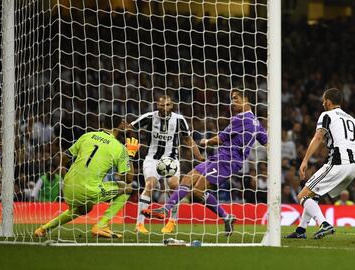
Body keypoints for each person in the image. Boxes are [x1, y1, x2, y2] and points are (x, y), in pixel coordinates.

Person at [142, 89, 267, 236]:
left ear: (246, 100)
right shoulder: (256, 123)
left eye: (236, 99)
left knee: (197, 191)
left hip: (227, 161)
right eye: (232, 99)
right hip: (220, 157)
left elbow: (221, 139)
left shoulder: (241, 118)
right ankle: (167, 208)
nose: (232, 102)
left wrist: (205, 141)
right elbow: (266, 141)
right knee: (187, 178)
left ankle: (225, 216)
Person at [286, 88, 355, 239]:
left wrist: (304, 160)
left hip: (338, 163)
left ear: (328, 102)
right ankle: (301, 230)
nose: (322, 103)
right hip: (353, 168)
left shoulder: (327, 115)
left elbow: (318, 138)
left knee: (302, 196)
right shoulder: (353, 120)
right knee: (314, 195)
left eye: (323, 100)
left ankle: (324, 224)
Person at [33, 115, 139, 238]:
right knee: (127, 188)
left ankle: (43, 229)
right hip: (88, 190)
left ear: (103, 123)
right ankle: (101, 225)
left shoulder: (87, 136)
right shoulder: (119, 147)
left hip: (67, 186)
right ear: (120, 124)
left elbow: (65, 157)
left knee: (84, 209)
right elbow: (128, 179)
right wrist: (130, 155)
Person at [127, 95, 204, 234]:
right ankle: (139, 224)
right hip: (152, 158)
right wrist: (133, 142)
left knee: (174, 186)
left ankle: (171, 222)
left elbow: (188, 139)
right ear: (157, 105)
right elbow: (129, 127)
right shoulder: (149, 117)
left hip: (171, 160)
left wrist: (199, 156)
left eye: (167, 105)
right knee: (149, 185)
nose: (164, 108)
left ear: (172, 106)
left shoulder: (179, 120)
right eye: (161, 105)